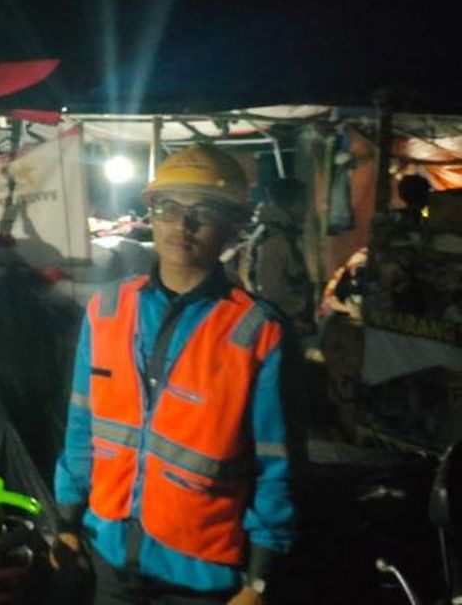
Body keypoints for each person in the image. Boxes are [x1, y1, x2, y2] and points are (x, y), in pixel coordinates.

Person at [54, 144, 295, 604]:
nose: (182, 225)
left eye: (202, 212)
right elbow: (81, 426)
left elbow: (275, 463)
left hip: (199, 575)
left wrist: (260, 579)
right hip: (108, 555)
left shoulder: (258, 332)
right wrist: (66, 521)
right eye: (168, 208)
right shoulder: (106, 309)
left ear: (232, 226)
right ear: (152, 214)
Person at [243, 179, 315, 341]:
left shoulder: (270, 233)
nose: (306, 209)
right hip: (284, 328)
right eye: (303, 202)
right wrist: (300, 306)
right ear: (294, 203)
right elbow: (271, 291)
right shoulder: (276, 239)